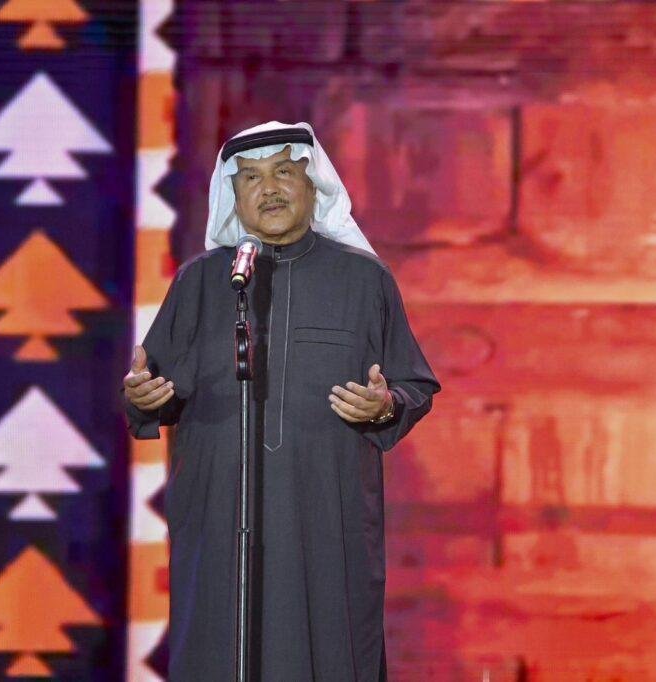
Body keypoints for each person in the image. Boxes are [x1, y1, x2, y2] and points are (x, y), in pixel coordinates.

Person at [123, 121, 440, 681]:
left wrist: (386, 405)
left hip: (327, 521)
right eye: (250, 178)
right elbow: (154, 390)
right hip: (220, 519)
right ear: (233, 194)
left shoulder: (364, 280)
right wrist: (145, 398)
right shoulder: (200, 283)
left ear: (313, 184)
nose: (268, 188)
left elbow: (413, 384)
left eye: (284, 172)